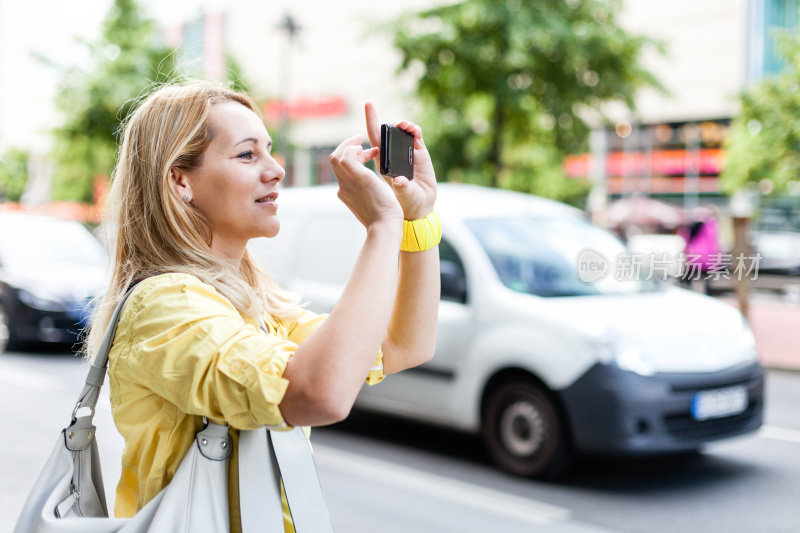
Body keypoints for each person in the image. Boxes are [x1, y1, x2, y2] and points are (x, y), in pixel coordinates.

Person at [83, 80, 440, 532]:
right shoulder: (165, 305)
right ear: (179, 180)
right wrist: (382, 227)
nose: (276, 170)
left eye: (269, 151)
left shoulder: (255, 307)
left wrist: (416, 217)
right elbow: (320, 394)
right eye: (247, 155)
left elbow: (406, 345)